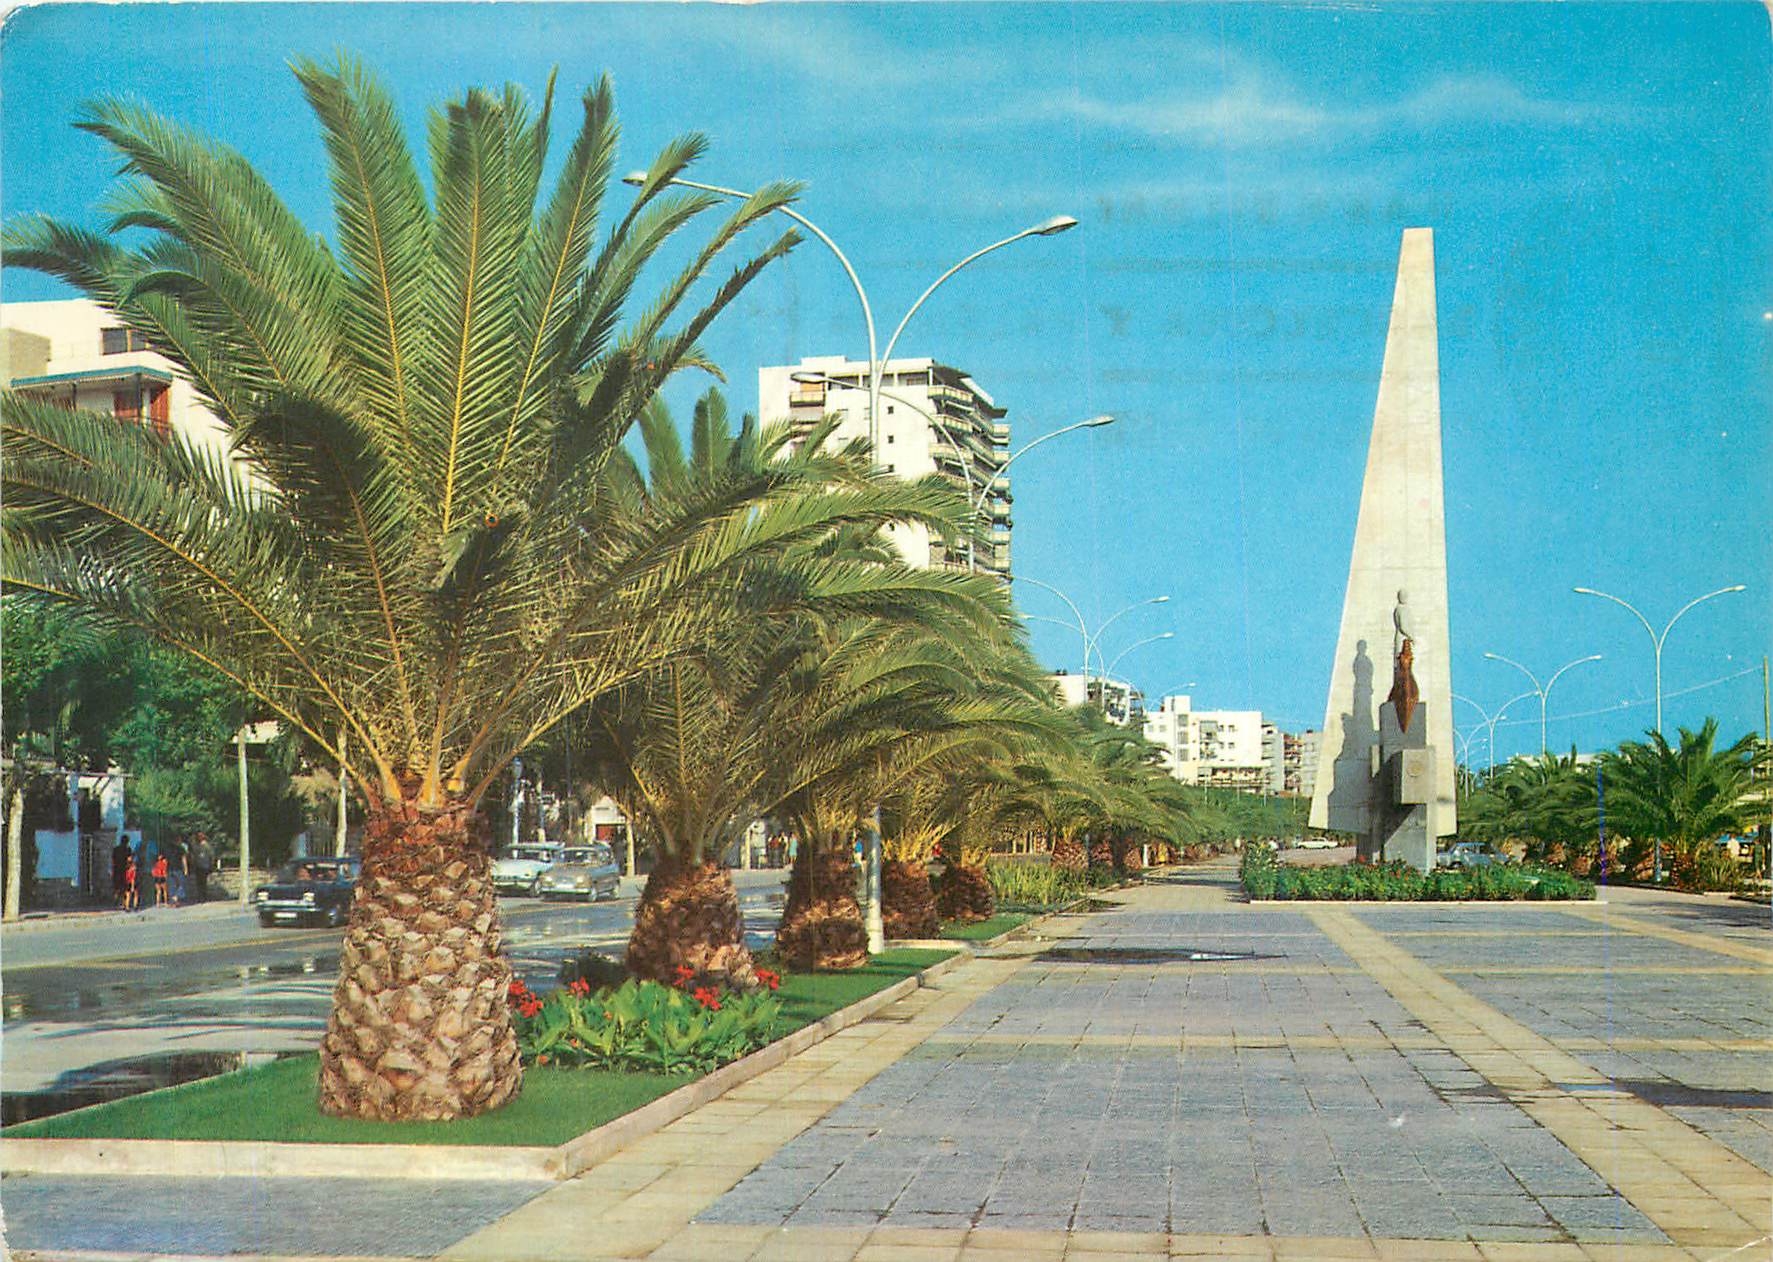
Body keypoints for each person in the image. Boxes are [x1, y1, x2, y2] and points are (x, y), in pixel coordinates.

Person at [192, 833, 214, 901]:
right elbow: (193, 856)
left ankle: (203, 897)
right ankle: (200, 896)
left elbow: (211, 856)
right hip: (198, 866)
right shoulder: (196, 846)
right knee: (199, 882)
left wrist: (211, 865)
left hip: (204, 866)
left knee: (203, 882)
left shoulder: (207, 846)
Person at [112, 837, 132, 908]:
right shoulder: (128, 849)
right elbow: (129, 860)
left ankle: (116, 900)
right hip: (124, 871)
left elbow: (113, 861)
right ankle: (124, 903)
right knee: (125, 888)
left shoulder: (115, 849)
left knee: (117, 887)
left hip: (116, 870)